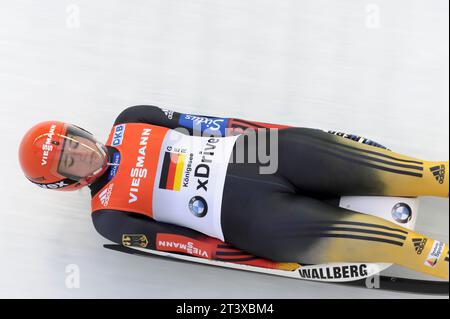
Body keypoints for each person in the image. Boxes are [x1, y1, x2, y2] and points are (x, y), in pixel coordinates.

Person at [18, 105, 449, 280]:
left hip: (258, 154)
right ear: (64, 181)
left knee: (420, 172)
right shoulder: (108, 217)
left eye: (73, 143)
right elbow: (191, 246)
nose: (80, 154)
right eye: (69, 161)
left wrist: (290, 138)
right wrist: (270, 262)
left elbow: (214, 124)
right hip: (248, 217)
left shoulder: (134, 118)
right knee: (405, 244)